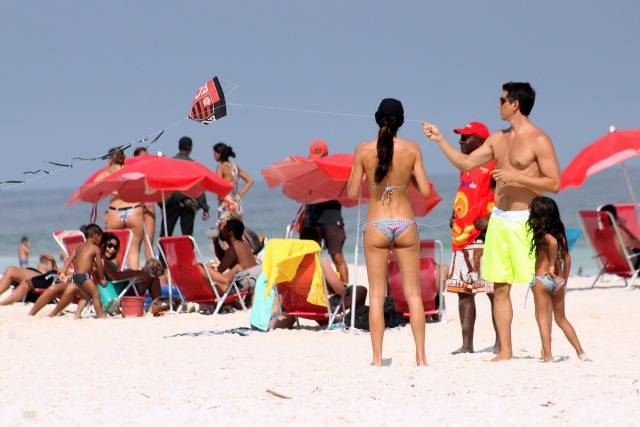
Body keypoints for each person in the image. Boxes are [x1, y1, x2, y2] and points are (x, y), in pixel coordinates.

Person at [422, 82, 561, 361]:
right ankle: (506, 351)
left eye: (502, 100)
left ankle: (546, 350)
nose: (498, 104)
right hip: (499, 220)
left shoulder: (539, 139)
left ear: (515, 105)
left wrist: (517, 178)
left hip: (525, 219)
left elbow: (554, 183)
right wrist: (439, 140)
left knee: (537, 287)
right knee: (500, 287)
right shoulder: (497, 139)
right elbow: (465, 163)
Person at [347, 98, 432, 367]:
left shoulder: (363, 149)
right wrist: (403, 182)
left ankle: (376, 358)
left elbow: (350, 192)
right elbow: (426, 191)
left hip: (376, 225)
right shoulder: (412, 149)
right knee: (414, 294)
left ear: (376, 119)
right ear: (402, 121)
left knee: (376, 294)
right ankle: (420, 358)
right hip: (406, 223)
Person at [444, 121, 499, 354]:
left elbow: (506, 195)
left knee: (493, 292)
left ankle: (501, 341)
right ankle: (467, 344)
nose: (461, 141)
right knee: (464, 292)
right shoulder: (465, 165)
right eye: (461, 137)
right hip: (462, 237)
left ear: (480, 141)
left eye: (466, 137)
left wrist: (491, 217)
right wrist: (454, 214)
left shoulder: (495, 162)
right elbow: (467, 193)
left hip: (484, 235)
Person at [527, 196, 589, 362]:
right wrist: (564, 281)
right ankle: (580, 352)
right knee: (561, 319)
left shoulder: (544, 235)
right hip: (558, 282)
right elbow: (567, 259)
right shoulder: (561, 235)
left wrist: (551, 267)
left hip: (542, 279)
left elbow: (552, 244)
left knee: (543, 318)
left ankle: (548, 355)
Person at [302, 140, 349, 283]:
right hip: (311, 218)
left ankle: (345, 291)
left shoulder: (336, 171)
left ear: (327, 155)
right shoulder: (308, 172)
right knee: (307, 257)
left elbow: (343, 190)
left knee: (337, 256)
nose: (317, 161)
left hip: (331, 218)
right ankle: (309, 290)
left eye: (320, 157)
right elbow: (304, 193)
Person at [96, 147, 145, 269]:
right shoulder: (131, 170)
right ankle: (135, 285)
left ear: (110, 159)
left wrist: (111, 191)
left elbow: (95, 186)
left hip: (115, 211)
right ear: (123, 157)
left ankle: (116, 281)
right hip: (134, 209)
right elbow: (143, 185)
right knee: (133, 252)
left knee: (113, 251)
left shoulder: (107, 173)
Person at [50, 224, 107, 319]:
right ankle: (101, 315)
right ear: (96, 236)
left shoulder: (79, 247)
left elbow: (69, 259)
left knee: (86, 297)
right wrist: (101, 279)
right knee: (96, 294)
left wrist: (63, 272)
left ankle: (77, 315)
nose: (101, 240)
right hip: (84, 277)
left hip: (76, 277)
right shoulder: (96, 249)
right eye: (101, 237)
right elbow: (100, 266)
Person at [161, 137, 210, 236]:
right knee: (187, 236)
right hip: (189, 204)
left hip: (171, 202)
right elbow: (198, 188)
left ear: (179, 147)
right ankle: (187, 251)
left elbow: (162, 183)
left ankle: (162, 251)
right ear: (191, 148)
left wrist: (161, 204)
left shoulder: (169, 163)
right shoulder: (193, 165)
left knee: (165, 234)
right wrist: (205, 208)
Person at [212, 219, 260, 291]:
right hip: (255, 280)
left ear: (231, 233)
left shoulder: (234, 248)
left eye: (224, 228)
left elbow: (219, 271)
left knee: (214, 285)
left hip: (246, 283)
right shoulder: (244, 243)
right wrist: (216, 243)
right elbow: (223, 257)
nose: (221, 231)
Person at [213, 142, 253, 223]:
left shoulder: (221, 167)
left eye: (215, 153)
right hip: (236, 204)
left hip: (226, 204)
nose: (213, 155)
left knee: (221, 230)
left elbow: (218, 187)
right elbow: (250, 180)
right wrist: (240, 194)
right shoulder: (235, 166)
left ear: (220, 154)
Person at [133, 146, 156, 259]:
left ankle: (150, 267)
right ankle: (135, 267)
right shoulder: (133, 172)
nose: (145, 158)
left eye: (147, 156)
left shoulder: (151, 170)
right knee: (136, 242)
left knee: (149, 241)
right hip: (137, 206)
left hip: (150, 205)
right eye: (142, 156)